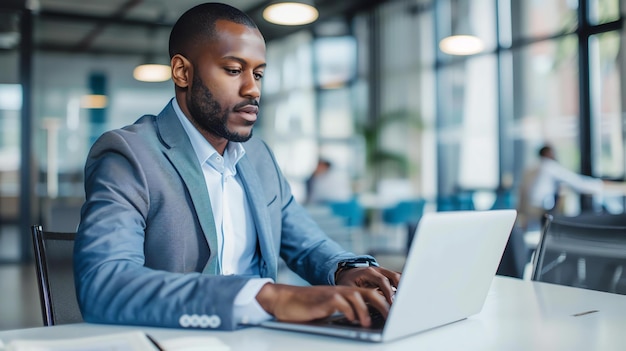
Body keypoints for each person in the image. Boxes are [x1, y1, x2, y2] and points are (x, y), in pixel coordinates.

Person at [74, 2, 400, 331]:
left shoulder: (258, 157)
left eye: (258, 74)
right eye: (233, 70)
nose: (253, 89)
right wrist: (267, 297)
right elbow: (104, 284)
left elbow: (308, 243)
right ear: (182, 72)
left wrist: (346, 269)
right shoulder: (129, 155)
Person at [517, 144, 604, 230]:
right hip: (542, 208)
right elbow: (576, 182)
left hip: (528, 208)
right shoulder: (549, 166)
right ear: (548, 154)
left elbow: (522, 191)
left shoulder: (531, 167)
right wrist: (600, 185)